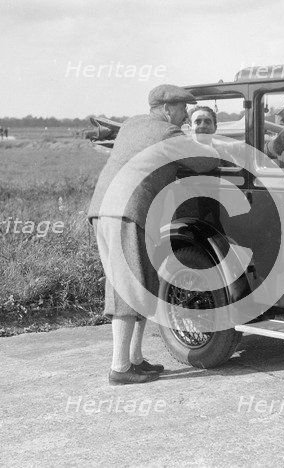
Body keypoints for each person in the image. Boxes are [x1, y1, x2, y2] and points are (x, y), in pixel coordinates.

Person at [88, 84, 220, 385]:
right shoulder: (166, 133)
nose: (186, 114)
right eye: (182, 108)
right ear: (165, 109)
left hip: (109, 209)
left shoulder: (133, 124)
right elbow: (205, 161)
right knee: (127, 287)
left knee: (143, 283)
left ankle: (135, 359)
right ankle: (120, 368)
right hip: (126, 211)